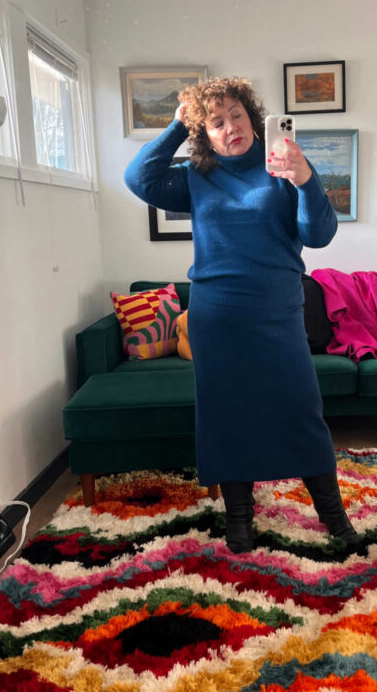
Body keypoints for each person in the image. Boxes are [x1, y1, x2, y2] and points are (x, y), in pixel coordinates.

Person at [124, 76, 358, 555]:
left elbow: (319, 236)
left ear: (253, 119)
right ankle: (240, 519)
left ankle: (334, 517)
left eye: (237, 116)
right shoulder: (196, 176)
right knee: (226, 416)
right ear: (203, 133)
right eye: (216, 122)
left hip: (278, 313)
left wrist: (305, 178)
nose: (230, 128)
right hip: (217, 317)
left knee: (301, 413)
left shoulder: (284, 167)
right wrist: (176, 123)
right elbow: (138, 178)